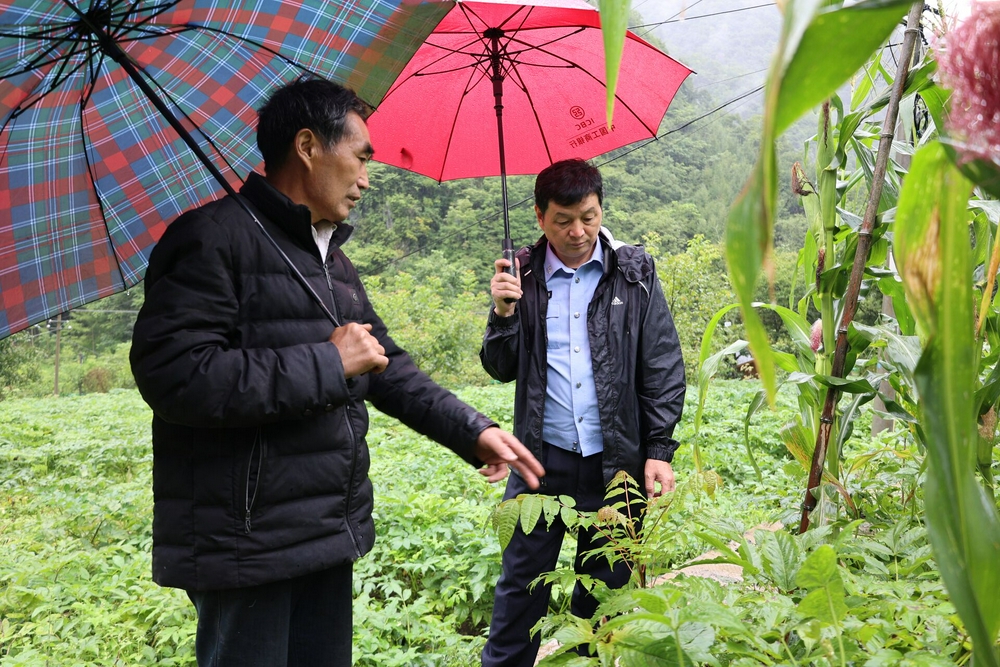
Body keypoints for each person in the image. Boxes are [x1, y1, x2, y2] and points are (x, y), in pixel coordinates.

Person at [129, 77, 544, 667]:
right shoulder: (210, 239)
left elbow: (384, 363)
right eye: (361, 157)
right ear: (307, 146)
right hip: (248, 542)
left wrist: (469, 429)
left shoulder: (330, 260)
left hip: (324, 529)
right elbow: (176, 377)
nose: (367, 179)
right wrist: (329, 361)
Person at [480, 159, 686, 667]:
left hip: (616, 464)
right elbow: (501, 369)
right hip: (539, 462)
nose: (578, 232)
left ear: (600, 209)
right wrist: (503, 314)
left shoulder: (634, 271)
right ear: (539, 217)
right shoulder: (520, 274)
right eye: (563, 220)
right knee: (519, 596)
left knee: (604, 601)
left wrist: (659, 448)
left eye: (589, 217)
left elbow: (660, 361)